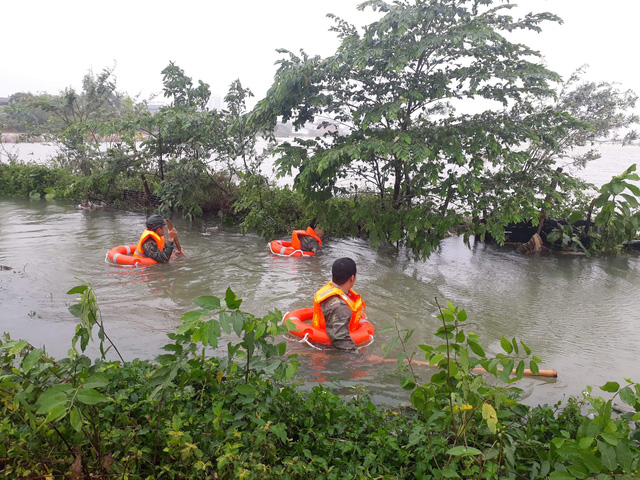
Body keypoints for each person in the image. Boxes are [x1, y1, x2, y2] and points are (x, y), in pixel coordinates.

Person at [312, 257, 366, 351]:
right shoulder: (340, 308)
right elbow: (342, 345)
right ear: (352, 278)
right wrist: (366, 358)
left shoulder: (330, 288)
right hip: (325, 350)